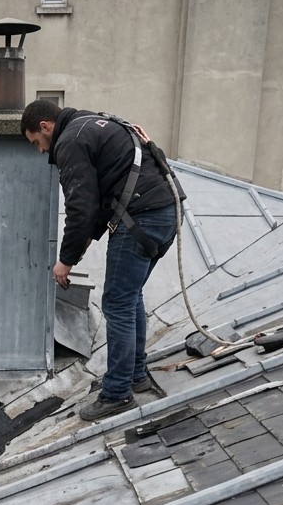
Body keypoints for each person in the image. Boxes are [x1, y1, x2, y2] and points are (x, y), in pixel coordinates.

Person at [21, 99, 185, 420]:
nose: (40, 151)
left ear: (45, 127)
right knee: (129, 295)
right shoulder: (91, 124)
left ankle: (117, 394)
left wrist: (65, 260)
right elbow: (98, 200)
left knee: (117, 304)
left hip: (141, 218)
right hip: (166, 213)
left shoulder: (69, 141)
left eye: (36, 143)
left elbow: (81, 206)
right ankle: (134, 375)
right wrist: (82, 245)